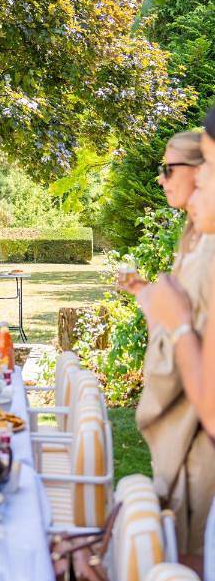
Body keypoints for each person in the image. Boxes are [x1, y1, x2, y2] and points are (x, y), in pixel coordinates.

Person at [122, 131, 215, 555]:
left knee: (191, 562)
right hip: (184, 427)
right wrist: (148, 296)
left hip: (197, 436)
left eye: (167, 168)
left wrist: (174, 322)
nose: (160, 179)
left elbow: (187, 331)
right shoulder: (193, 238)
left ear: (202, 171)